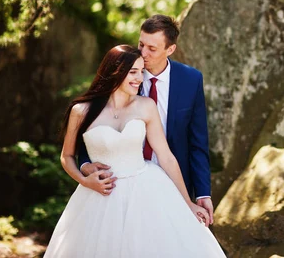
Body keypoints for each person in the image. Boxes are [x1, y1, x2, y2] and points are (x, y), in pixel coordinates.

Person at [44, 45, 226, 257]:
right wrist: (86, 181)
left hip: (147, 190)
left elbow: (166, 157)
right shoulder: (81, 111)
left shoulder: (146, 106)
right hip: (100, 195)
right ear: (115, 71)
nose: (139, 78)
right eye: (133, 72)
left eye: (141, 71)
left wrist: (188, 203)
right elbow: (66, 156)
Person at [78, 14, 215, 224]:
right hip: (120, 183)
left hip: (174, 180)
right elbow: (91, 122)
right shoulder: (122, 75)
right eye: (141, 44)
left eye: (152, 48)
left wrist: (202, 193)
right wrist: (86, 163)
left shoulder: (191, 79)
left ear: (170, 50)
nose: (142, 53)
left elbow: (197, 142)